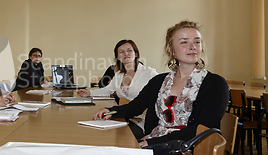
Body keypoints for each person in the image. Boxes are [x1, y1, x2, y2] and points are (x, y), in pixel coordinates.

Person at [94, 21, 229, 147]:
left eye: (197, 42)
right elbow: (137, 106)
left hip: (185, 151)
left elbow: (202, 130)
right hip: (155, 143)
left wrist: (154, 142)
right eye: (184, 42)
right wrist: (112, 111)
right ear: (171, 49)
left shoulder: (215, 84)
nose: (192, 46)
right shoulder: (159, 81)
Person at [79, 40, 158, 139]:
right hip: (123, 115)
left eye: (129, 50)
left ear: (136, 54)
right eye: (121, 52)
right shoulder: (119, 75)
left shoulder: (149, 73)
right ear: (118, 57)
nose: (126, 54)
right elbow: (107, 90)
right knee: (98, 130)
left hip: (142, 119)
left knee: (119, 136)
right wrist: (89, 92)